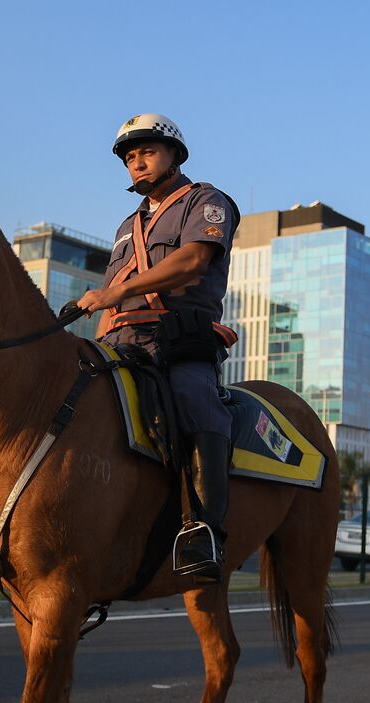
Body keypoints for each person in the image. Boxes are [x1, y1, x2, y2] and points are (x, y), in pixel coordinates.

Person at [76, 114, 239, 583]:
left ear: (174, 155)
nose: (137, 164)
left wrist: (108, 295)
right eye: (130, 158)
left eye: (146, 153)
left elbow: (190, 263)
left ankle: (204, 532)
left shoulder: (206, 201)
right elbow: (115, 288)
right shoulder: (128, 225)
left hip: (178, 341)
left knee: (194, 401)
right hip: (119, 340)